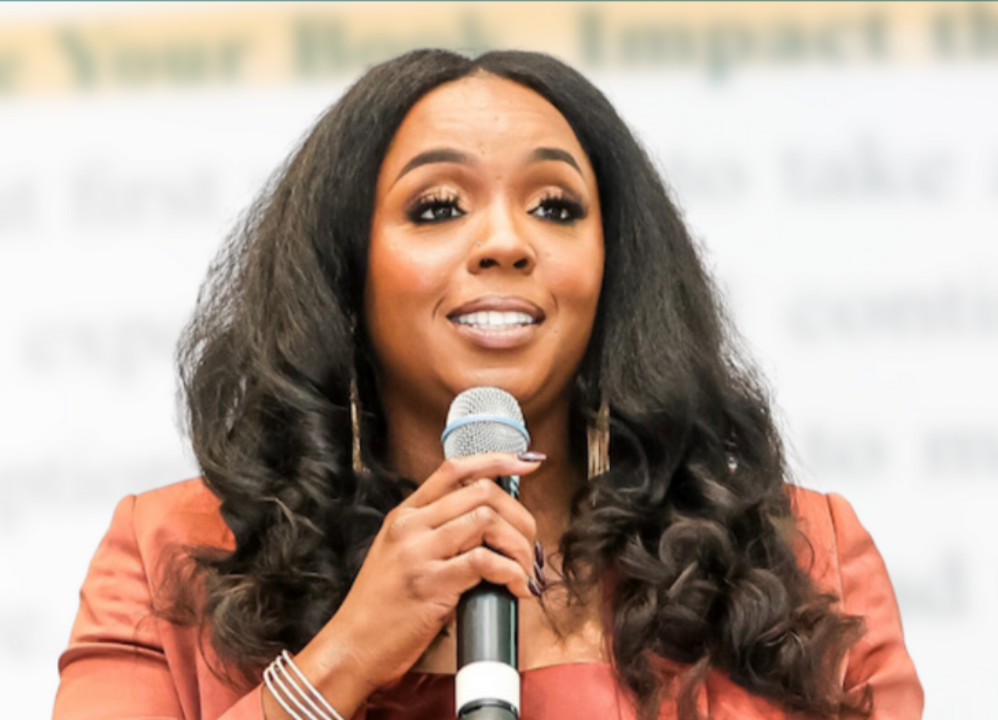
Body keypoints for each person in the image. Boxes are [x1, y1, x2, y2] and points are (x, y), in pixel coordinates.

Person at [52, 49, 923, 720]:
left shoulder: (803, 559)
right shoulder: (171, 556)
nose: (506, 243)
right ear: (345, 278)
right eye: (437, 207)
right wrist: (346, 655)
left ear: (612, 275)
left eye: (555, 207)